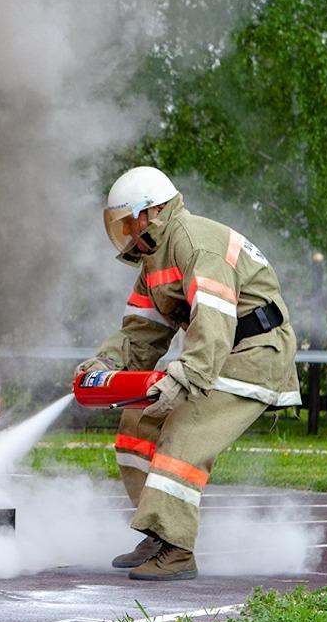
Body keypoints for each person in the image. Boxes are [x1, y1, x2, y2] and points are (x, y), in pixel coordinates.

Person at [76, 166, 299, 581]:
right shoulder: (155, 261)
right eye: (119, 222)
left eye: (128, 219)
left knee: (183, 432)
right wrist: (105, 366)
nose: (124, 230)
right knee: (136, 423)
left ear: (152, 212)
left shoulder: (195, 243)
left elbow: (213, 322)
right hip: (219, 352)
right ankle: (159, 532)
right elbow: (143, 333)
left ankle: (177, 550)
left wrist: (186, 376)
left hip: (255, 353)